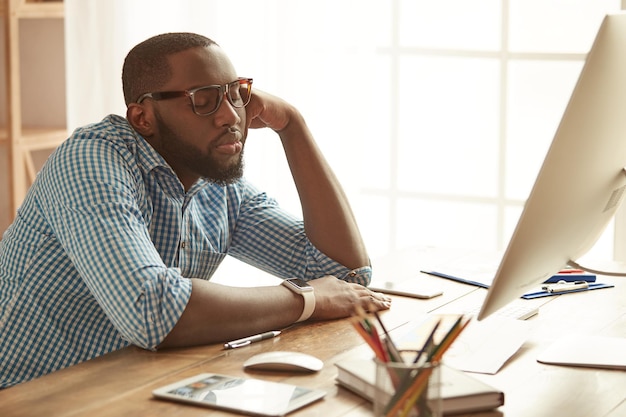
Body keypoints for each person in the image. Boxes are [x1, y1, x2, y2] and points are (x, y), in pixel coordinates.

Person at [0, 32, 391, 388]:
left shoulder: (219, 189)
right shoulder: (91, 160)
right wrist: (307, 299)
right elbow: (151, 308)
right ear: (143, 118)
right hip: (25, 396)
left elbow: (345, 275)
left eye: (237, 94)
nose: (230, 116)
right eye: (203, 100)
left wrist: (292, 126)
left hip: (126, 390)